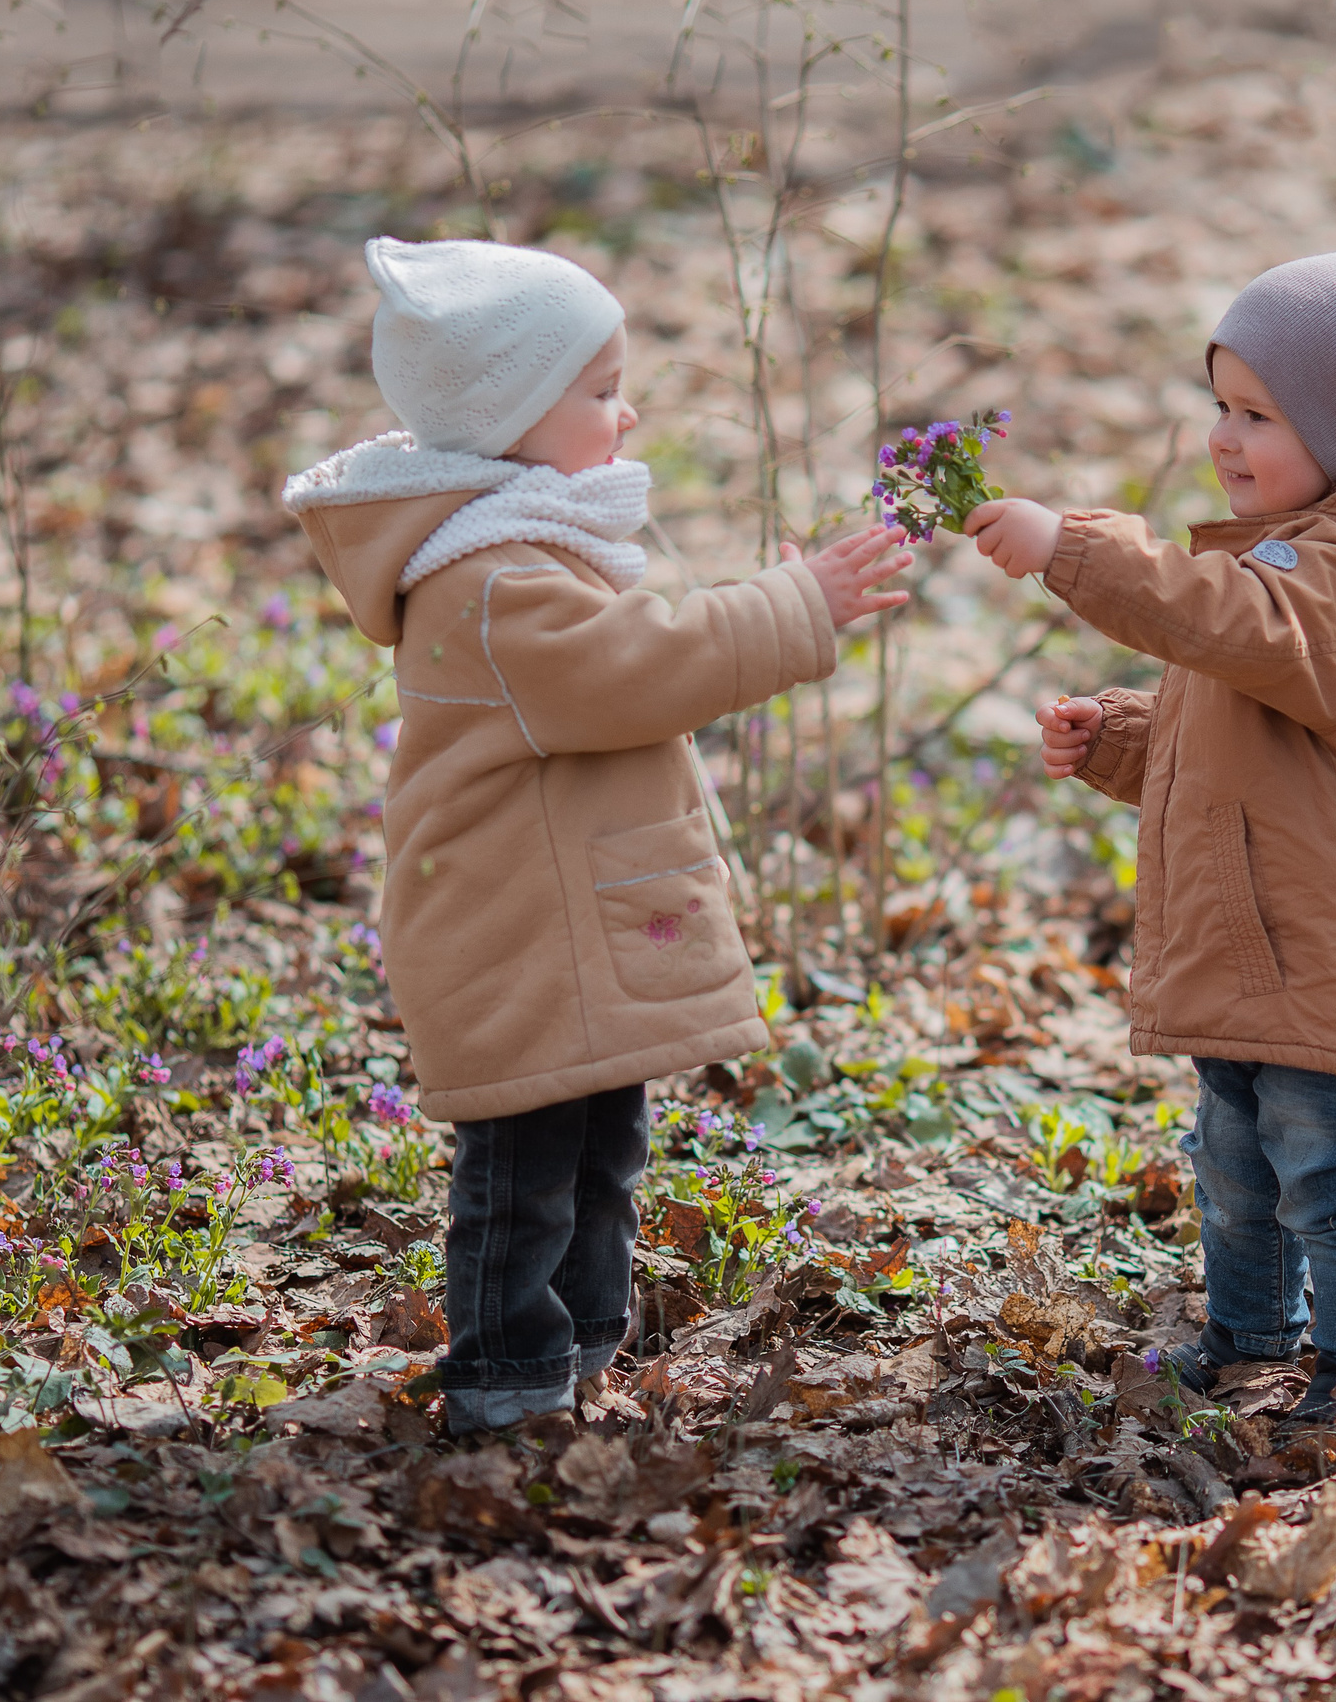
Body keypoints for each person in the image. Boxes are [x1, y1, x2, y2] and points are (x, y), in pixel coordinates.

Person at [284, 237, 910, 1432]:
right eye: (599, 388)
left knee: (601, 1148)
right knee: (522, 1165)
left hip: (562, 917)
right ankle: (506, 1365)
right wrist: (792, 608)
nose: (627, 410)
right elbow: (635, 668)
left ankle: (582, 1342)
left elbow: (635, 651)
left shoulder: (522, 542)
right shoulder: (489, 583)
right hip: (517, 930)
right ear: (512, 414)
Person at [962, 249, 1336, 1422]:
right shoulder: (1294, 564)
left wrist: (1072, 546)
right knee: (1235, 1172)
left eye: (1257, 413)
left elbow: (1234, 628)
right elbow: (1242, 728)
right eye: (1219, 402)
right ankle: (1245, 1332)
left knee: (1328, 1176)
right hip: (1258, 943)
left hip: (1335, 951)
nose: (1224, 436)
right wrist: (1118, 736)